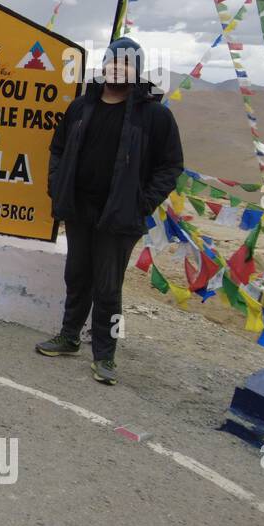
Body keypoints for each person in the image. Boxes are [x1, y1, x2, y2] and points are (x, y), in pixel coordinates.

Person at [36, 36, 183, 384]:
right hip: (80, 209)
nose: (118, 67)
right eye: (113, 61)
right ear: (104, 65)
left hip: (121, 216)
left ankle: (106, 355)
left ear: (137, 70)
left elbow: (171, 167)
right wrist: (57, 185)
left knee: (108, 287)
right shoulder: (82, 107)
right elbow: (57, 149)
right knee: (77, 276)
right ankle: (69, 336)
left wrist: (142, 203)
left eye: (127, 63)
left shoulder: (155, 116)